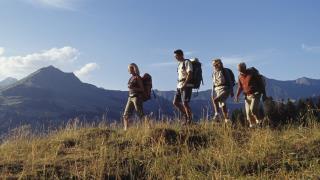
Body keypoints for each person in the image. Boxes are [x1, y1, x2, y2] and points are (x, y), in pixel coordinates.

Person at [235, 62, 266, 127]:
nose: (240, 71)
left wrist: (264, 94)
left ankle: (259, 121)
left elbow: (261, 83)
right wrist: (237, 95)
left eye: (241, 69)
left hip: (255, 94)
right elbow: (240, 87)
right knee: (248, 114)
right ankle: (253, 126)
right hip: (247, 96)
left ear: (245, 68)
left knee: (253, 109)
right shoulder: (240, 76)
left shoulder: (252, 73)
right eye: (239, 70)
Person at [173, 49, 193, 124]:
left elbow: (190, 74)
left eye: (176, 56)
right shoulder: (179, 64)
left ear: (181, 55)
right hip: (179, 85)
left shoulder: (187, 62)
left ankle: (189, 120)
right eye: (175, 56)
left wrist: (185, 84)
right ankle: (186, 116)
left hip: (186, 85)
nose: (175, 58)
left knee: (185, 103)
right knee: (175, 102)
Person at [123, 63, 144, 131]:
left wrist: (133, 88)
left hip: (137, 97)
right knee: (126, 115)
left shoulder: (138, 77)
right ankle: (126, 130)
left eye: (129, 68)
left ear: (133, 69)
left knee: (140, 114)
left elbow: (142, 89)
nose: (128, 70)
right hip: (130, 97)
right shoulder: (131, 78)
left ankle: (148, 128)